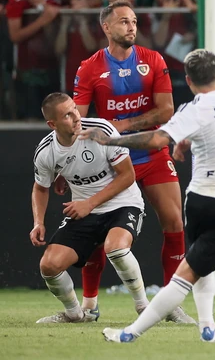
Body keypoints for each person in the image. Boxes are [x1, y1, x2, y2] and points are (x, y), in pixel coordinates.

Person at [82, 49, 215, 343]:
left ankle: (130, 333)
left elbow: (157, 139)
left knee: (189, 271)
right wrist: (187, 140)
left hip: (205, 199)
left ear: (187, 80)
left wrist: (112, 140)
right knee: (200, 261)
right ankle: (207, 326)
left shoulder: (192, 111)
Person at [68, 1, 193, 323]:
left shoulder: (153, 60)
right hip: (111, 160)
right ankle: (89, 306)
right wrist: (65, 163)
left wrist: (121, 125)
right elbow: (76, 120)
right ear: (106, 27)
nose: (131, 27)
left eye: (134, 21)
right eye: (124, 21)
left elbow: (166, 110)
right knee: (96, 232)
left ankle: (169, 303)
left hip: (151, 152)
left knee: (174, 222)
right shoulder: (89, 67)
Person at [31, 92, 148, 323]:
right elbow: (40, 188)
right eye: (67, 115)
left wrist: (89, 203)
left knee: (116, 248)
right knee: (49, 265)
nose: (76, 117)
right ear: (52, 124)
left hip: (123, 203)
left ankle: (144, 308)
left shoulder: (100, 130)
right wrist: (38, 222)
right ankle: (75, 314)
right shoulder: (46, 151)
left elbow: (128, 176)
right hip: (86, 211)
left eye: (75, 108)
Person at [5, 0, 61, 119]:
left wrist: (43, 8)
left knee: (53, 118)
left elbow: (55, 38)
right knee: (29, 117)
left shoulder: (52, 1)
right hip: (25, 70)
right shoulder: (16, 1)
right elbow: (15, 36)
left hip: (51, 67)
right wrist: (42, 20)